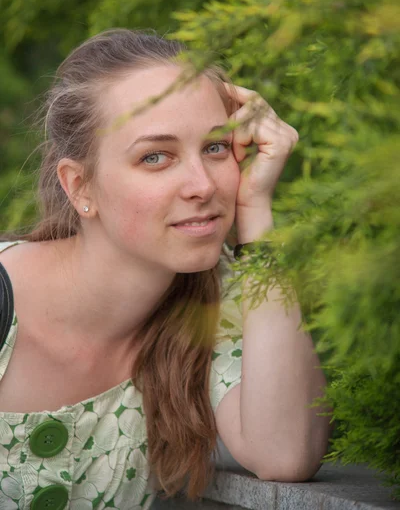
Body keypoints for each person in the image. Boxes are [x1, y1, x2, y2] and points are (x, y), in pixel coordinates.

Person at [0, 28, 331, 510]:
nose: (202, 185)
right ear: (80, 187)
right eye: (155, 157)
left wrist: (257, 209)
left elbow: (285, 452)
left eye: (216, 147)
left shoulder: (216, 300)